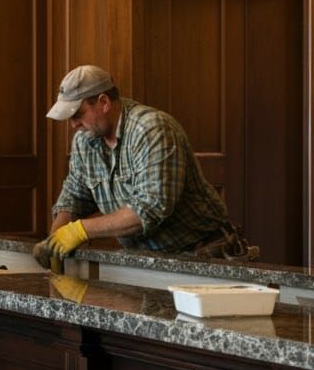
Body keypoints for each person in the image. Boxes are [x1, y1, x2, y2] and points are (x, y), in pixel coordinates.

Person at [36, 64, 255, 266]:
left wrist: (79, 231)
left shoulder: (152, 129)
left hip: (205, 255)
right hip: (150, 259)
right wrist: (54, 242)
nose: (73, 124)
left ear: (104, 103)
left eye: (78, 114)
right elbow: (74, 196)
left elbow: (148, 209)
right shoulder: (85, 140)